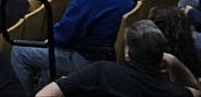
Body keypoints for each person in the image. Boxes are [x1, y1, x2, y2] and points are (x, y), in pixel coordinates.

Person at [36, 19, 201, 97]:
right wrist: (173, 62)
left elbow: (45, 95)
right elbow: (196, 89)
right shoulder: (174, 93)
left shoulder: (102, 72)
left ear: (128, 54)